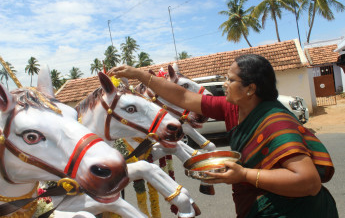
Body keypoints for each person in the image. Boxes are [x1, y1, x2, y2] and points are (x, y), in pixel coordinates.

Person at [108, 54, 338, 218]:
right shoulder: (234, 108)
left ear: (251, 88)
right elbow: (184, 98)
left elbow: (308, 182)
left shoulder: (277, 123)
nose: (224, 85)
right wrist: (139, 74)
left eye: (230, 80)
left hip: (295, 210)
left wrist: (244, 175)